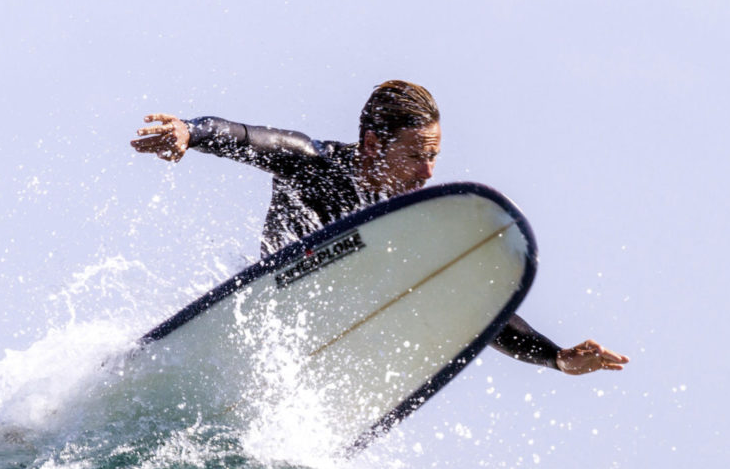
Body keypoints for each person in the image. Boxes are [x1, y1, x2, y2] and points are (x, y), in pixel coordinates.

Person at [131, 81, 628, 376]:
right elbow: (250, 139)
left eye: (433, 156)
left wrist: (557, 358)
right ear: (372, 146)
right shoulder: (316, 164)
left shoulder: (413, 223)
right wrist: (190, 132)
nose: (428, 173)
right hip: (265, 317)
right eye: (415, 155)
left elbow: (476, 305)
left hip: (322, 341)